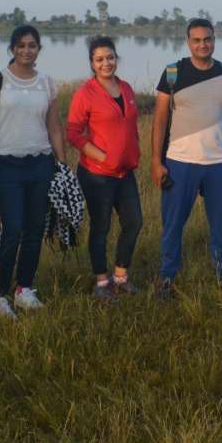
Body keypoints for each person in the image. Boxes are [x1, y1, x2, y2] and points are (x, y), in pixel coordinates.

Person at [0, 24, 65, 315]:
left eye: (32, 45)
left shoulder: (47, 83)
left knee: (35, 229)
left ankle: (24, 289)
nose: (27, 50)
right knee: (12, 229)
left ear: (39, 49)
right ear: (12, 48)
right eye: (21, 45)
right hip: (6, 164)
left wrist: (62, 166)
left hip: (40, 163)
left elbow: (54, 127)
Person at [150, 18, 222, 295]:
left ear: (214, 40)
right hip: (180, 162)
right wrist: (156, 161)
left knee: (220, 225)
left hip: (220, 164)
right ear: (188, 42)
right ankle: (167, 278)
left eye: (208, 39)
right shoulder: (173, 73)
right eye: (197, 40)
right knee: (173, 225)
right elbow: (160, 120)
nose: (203, 44)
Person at [66, 36, 143, 300]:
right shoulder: (85, 93)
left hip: (125, 172)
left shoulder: (127, 88)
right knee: (101, 227)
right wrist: (102, 156)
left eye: (110, 57)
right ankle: (101, 282)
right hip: (96, 175)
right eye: (99, 59)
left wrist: (133, 153)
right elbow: (73, 133)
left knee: (134, 222)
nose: (106, 63)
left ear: (116, 58)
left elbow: (130, 126)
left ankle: (120, 277)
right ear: (92, 63)